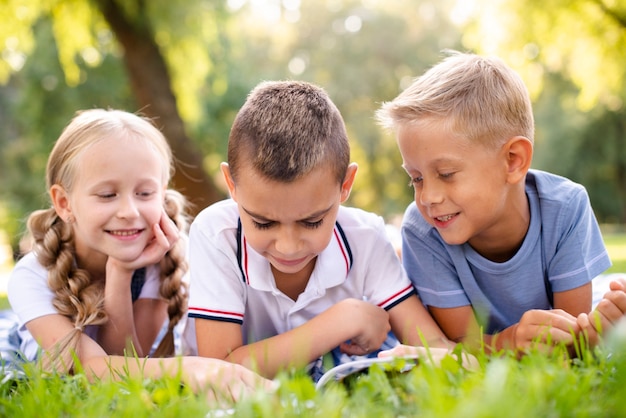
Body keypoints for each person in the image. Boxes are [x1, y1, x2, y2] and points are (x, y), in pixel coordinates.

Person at [183, 80, 466, 381]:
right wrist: (344, 320)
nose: (288, 246)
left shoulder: (365, 237)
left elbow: (432, 344)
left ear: (345, 185)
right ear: (231, 184)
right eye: (263, 223)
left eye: (312, 222)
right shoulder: (217, 234)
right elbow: (219, 371)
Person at [7, 108, 273, 402]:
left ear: (162, 193)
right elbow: (91, 370)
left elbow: (129, 363)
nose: (129, 212)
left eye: (145, 193)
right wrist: (193, 368)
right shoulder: (31, 277)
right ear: (64, 202)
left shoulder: (161, 258)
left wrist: (121, 272)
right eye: (107, 195)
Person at [376, 50, 620, 355]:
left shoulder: (566, 207)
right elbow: (463, 343)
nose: (428, 197)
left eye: (446, 174)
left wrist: (594, 333)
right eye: (416, 178)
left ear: (513, 161)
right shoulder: (423, 230)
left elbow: (570, 336)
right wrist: (510, 341)